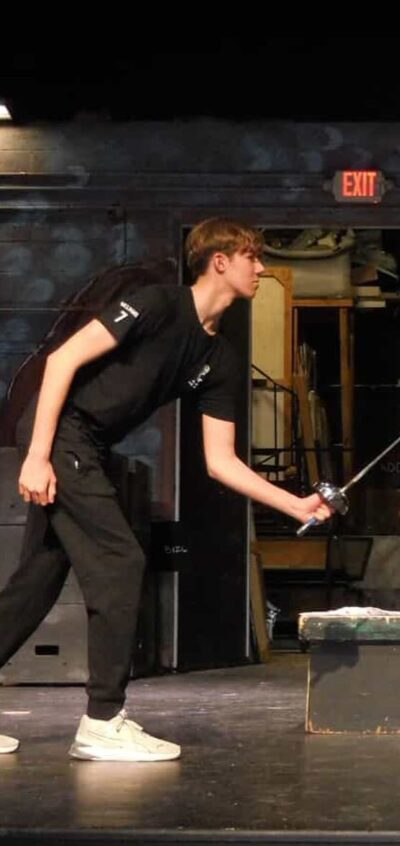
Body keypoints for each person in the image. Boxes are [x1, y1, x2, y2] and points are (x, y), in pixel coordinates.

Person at [0, 218, 331, 760]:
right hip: (61, 432)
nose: (261, 268)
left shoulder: (220, 359)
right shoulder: (156, 304)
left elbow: (221, 462)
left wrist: (294, 504)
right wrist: (38, 455)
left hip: (89, 447)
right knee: (120, 559)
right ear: (220, 261)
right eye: (252, 257)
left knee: (38, 580)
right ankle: (102, 720)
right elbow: (62, 361)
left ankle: (102, 720)